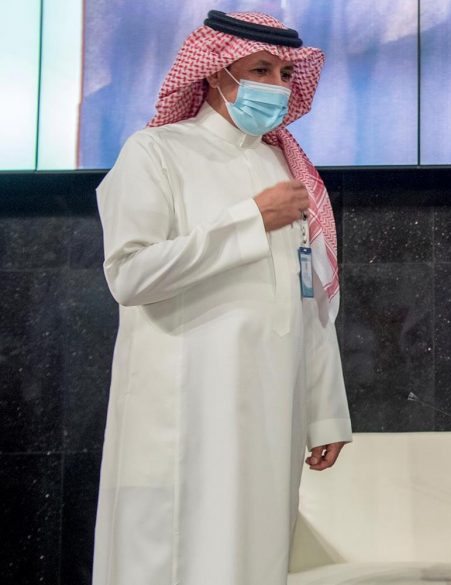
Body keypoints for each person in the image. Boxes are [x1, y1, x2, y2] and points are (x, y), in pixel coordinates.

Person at [92, 11, 351, 585]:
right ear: (214, 72)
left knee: (257, 559)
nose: (277, 86)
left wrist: (325, 411)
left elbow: (306, 295)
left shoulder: (284, 165)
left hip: (272, 413)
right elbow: (130, 276)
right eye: (260, 70)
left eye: (286, 73)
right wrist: (250, 220)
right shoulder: (155, 151)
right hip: (184, 413)